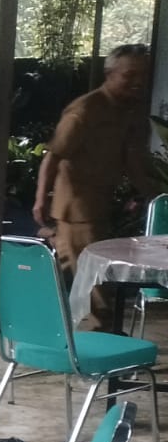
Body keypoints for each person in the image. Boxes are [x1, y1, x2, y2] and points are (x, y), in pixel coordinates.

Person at [34, 44, 155, 325]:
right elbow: (53, 156)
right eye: (129, 75)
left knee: (91, 275)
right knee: (93, 284)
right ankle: (97, 338)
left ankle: (92, 332)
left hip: (101, 207)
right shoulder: (86, 110)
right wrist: (40, 199)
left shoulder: (128, 110)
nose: (137, 82)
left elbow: (132, 161)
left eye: (142, 75)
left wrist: (152, 194)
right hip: (77, 210)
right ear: (110, 74)